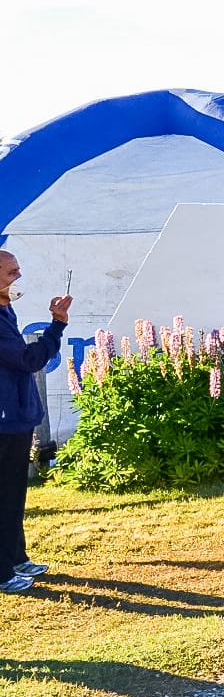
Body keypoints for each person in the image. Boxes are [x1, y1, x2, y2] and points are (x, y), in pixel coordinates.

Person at [0, 250, 72, 594]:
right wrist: (57, 325)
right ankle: (3, 572)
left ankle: (15, 558)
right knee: (4, 495)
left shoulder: (5, 309)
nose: (18, 278)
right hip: (4, 420)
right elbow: (29, 359)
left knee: (13, 494)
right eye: (12, 272)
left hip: (16, 417)